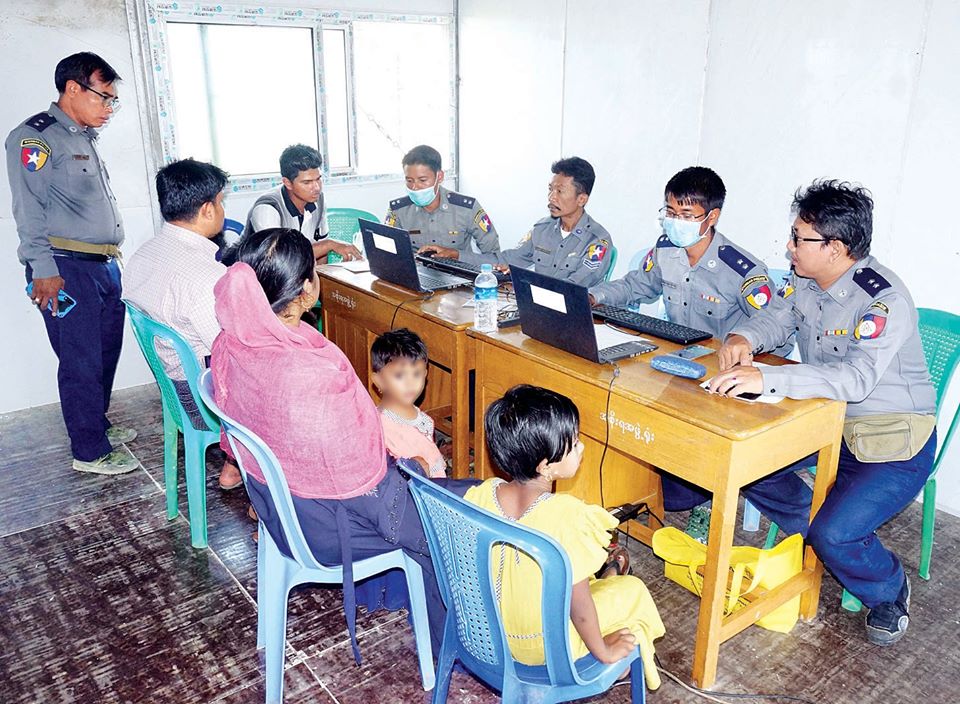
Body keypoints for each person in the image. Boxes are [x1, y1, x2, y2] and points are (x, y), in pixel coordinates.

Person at [210, 227, 477, 658]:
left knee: (458, 492)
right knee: (465, 518)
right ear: (305, 290)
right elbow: (363, 481)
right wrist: (416, 474)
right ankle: (466, 646)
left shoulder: (234, 339)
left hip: (278, 507)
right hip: (326, 527)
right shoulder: (310, 372)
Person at [708, 180, 937, 646]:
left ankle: (887, 588)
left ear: (836, 248)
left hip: (892, 438)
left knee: (835, 534)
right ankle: (817, 532)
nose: (789, 247)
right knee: (750, 466)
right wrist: (744, 337)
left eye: (799, 238)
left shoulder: (883, 300)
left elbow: (856, 379)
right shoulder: (806, 279)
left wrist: (766, 379)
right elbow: (777, 318)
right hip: (826, 420)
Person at [588, 166, 790, 541]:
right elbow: (636, 285)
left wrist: (743, 342)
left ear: (712, 217)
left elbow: (778, 325)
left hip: (721, 380)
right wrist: (594, 296)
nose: (675, 222)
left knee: (683, 479)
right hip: (680, 363)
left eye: (686, 215)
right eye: (670, 212)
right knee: (627, 409)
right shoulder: (666, 250)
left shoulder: (740, 269)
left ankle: (706, 503)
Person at [465, 385, 664, 689]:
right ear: (545, 466)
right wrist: (603, 650)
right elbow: (578, 607)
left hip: (485, 633)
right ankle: (615, 665)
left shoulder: (480, 495)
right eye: (573, 443)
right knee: (632, 591)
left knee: (577, 577)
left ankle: (608, 577)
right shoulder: (566, 516)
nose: (581, 447)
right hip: (542, 648)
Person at [5, 52, 137, 475]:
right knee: (80, 360)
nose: (109, 108)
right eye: (104, 98)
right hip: (64, 269)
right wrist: (43, 269)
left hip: (102, 265)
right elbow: (28, 210)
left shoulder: (83, 137)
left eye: (113, 100)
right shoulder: (36, 138)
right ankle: (89, 450)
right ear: (73, 89)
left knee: (105, 352)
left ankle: (95, 423)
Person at [123, 158, 241, 490]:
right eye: (221, 202)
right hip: (199, 400)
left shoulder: (142, 256)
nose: (222, 210)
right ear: (207, 209)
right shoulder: (204, 276)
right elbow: (233, 348)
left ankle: (235, 463)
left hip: (173, 387)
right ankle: (255, 476)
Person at [420, 157, 615, 288]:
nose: (551, 197)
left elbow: (574, 287)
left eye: (560, 191)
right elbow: (505, 259)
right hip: (535, 308)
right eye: (550, 189)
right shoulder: (542, 229)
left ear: (581, 199)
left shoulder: (597, 241)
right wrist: (454, 254)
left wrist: (523, 283)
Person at [241, 143, 362, 262]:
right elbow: (278, 258)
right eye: (307, 182)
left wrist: (322, 273)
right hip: (248, 271)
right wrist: (328, 245)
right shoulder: (267, 209)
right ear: (287, 183)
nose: (317, 188)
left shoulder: (318, 200)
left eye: (318, 179)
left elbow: (321, 251)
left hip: (292, 271)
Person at [384, 144, 500, 255]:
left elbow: (493, 254)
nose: (414, 187)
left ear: (439, 177)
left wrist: (455, 255)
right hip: (417, 268)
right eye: (409, 181)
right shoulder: (398, 210)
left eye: (423, 180)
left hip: (457, 268)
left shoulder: (466, 208)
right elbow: (387, 252)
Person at [371, 329, 447, 479]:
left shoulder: (424, 420)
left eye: (417, 374)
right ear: (379, 381)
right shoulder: (379, 427)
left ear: (425, 374)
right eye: (399, 375)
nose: (410, 383)